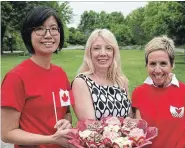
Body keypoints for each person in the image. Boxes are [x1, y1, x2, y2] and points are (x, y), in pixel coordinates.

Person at [1, 6, 74, 148]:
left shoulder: (61, 74)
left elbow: (66, 112)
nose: (48, 35)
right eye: (40, 28)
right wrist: (51, 139)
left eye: (53, 28)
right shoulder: (15, 77)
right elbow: (7, 133)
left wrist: (67, 122)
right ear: (29, 34)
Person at [131, 36, 185, 148]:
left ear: (172, 64)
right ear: (146, 65)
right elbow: (138, 132)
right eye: (152, 64)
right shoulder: (138, 92)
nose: (157, 70)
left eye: (163, 63)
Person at [71, 28, 131, 121]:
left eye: (108, 48)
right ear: (89, 52)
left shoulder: (121, 81)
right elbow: (90, 126)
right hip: (95, 135)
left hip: (124, 135)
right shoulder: (82, 82)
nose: (103, 53)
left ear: (114, 52)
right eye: (96, 48)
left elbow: (129, 118)